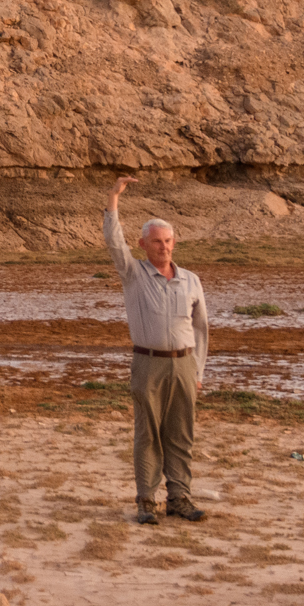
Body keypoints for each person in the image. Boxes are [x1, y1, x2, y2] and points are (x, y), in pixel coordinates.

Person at [103, 176, 209, 525]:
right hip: (147, 364)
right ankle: (147, 502)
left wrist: (198, 372)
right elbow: (113, 242)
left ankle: (179, 497)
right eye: (156, 242)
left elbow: (200, 329)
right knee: (148, 433)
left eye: (168, 241)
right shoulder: (133, 273)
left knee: (181, 434)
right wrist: (114, 198)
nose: (163, 247)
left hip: (184, 366)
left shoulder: (191, 279)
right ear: (143, 245)